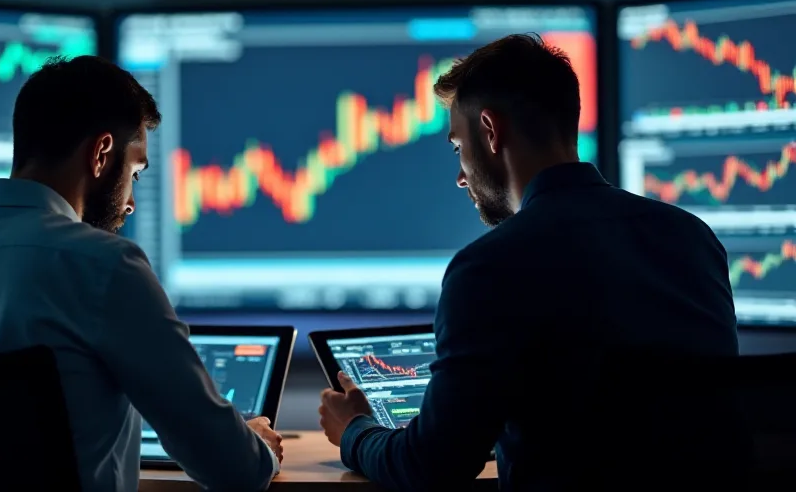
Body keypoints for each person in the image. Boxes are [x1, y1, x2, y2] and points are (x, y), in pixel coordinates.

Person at [318, 34, 745, 490]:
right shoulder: (692, 237)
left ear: (490, 131)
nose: (462, 177)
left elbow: (430, 467)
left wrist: (355, 432)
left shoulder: (488, 268)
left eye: (459, 148)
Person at [0, 56, 283, 492]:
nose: (131, 201)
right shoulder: (106, 267)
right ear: (100, 153)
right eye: (134, 171)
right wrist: (258, 449)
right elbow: (233, 470)